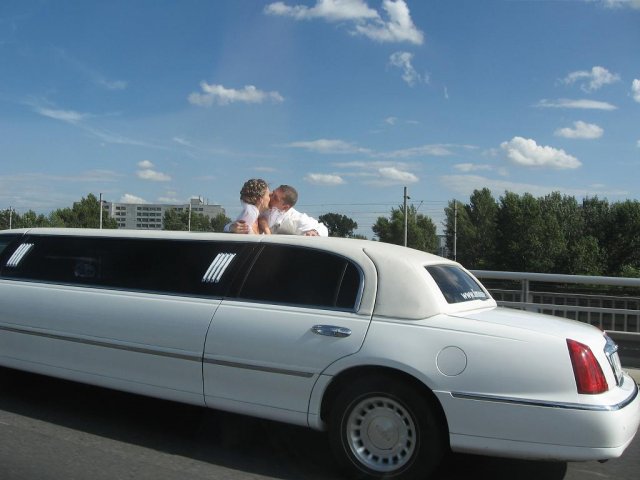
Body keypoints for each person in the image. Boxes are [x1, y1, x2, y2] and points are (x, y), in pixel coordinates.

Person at [227, 184, 328, 236]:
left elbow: (322, 228)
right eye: (272, 193)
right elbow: (232, 225)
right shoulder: (260, 208)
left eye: (275, 198)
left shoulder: (295, 219)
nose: (270, 197)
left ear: (285, 207)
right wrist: (231, 227)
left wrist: (315, 232)